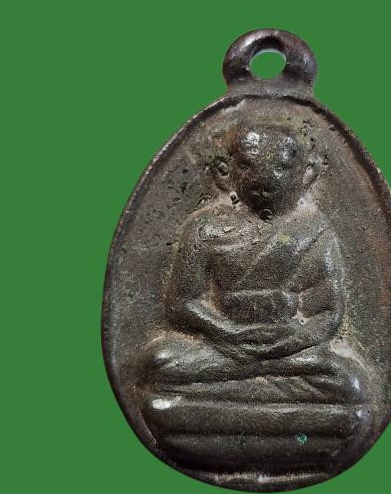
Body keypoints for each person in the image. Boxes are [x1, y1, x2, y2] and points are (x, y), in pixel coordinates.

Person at [136, 125, 370, 408]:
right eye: (248, 166)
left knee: (349, 383)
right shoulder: (205, 229)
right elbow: (181, 305)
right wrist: (227, 332)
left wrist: (287, 343)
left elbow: (328, 313)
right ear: (225, 172)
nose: (265, 179)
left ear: (306, 174)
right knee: (158, 362)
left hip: (288, 350)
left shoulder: (314, 230)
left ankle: (224, 396)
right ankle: (266, 393)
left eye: (281, 168)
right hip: (222, 347)